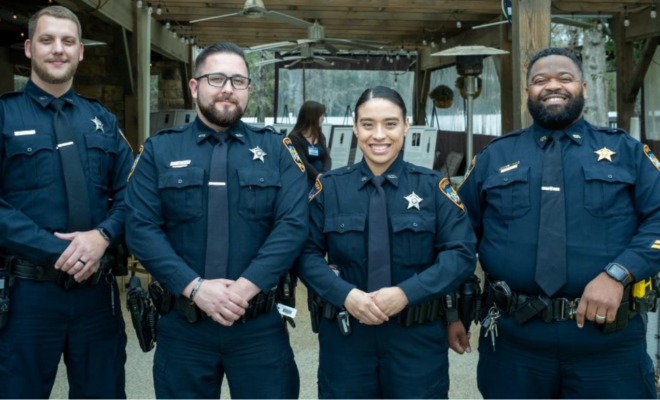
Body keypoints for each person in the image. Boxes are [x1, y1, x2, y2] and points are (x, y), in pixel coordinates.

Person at [458, 47, 660, 399]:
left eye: (564, 79)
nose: (552, 86)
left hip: (608, 344)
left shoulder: (627, 152)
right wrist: (452, 309)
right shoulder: (495, 156)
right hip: (515, 344)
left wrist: (621, 272)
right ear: (527, 93)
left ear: (583, 88)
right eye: (540, 80)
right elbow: (456, 234)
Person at [125, 42, 307, 399]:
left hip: (258, 326)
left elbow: (293, 226)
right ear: (195, 87)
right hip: (184, 326)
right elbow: (141, 228)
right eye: (217, 78)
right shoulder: (160, 151)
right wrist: (196, 288)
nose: (228, 88)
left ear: (248, 90)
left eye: (238, 81)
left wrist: (243, 289)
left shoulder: (278, 150)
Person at [297, 86, 477, 399]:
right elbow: (306, 254)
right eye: (368, 124)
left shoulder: (434, 188)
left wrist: (407, 293)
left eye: (390, 124)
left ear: (406, 125)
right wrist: (347, 295)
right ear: (354, 128)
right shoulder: (329, 188)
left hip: (416, 338)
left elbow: (460, 254)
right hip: (347, 338)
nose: (378, 135)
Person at [0, 6, 133, 399]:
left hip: (97, 296)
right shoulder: (4, 116)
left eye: (68, 41)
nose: (58, 49)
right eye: (47, 40)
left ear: (80, 52)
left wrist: (103, 236)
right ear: (28, 48)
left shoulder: (103, 121)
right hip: (27, 297)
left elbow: (133, 193)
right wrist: (62, 249)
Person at [287, 101, 332, 186]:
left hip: (321, 182)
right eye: (321, 115)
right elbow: (301, 162)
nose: (323, 118)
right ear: (311, 117)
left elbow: (327, 158)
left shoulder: (320, 136)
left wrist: (325, 175)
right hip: (303, 184)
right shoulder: (293, 139)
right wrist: (317, 176)